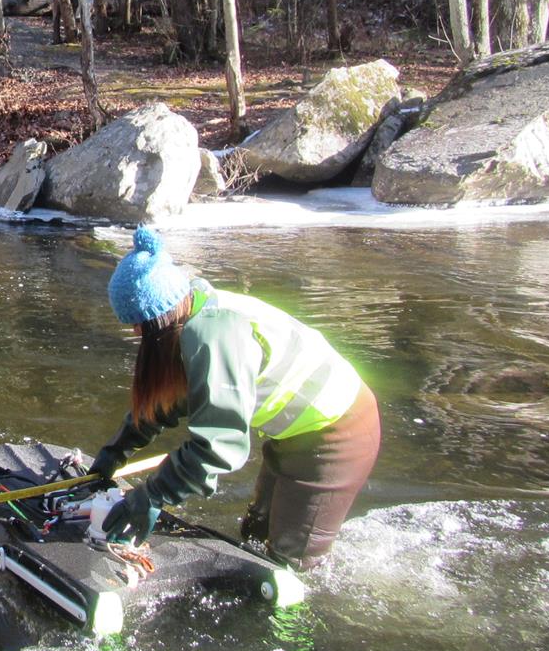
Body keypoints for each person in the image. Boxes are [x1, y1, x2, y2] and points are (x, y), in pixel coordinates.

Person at [95, 227, 381, 570]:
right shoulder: (193, 311)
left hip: (337, 436)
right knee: (254, 537)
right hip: (291, 438)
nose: (134, 333)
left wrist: (151, 496)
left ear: (158, 320)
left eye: (138, 326)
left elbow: (219, 447)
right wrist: (114, 454)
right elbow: (169, 402)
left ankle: (289, 622)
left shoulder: (214, 336)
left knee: (287, 563)